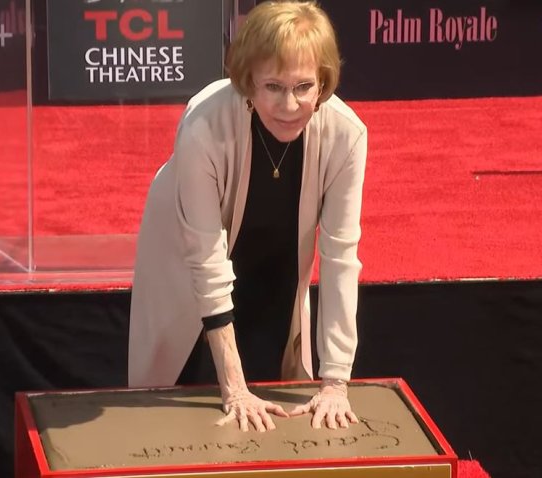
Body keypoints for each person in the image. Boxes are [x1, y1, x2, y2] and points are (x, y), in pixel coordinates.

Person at [129, 0, 367, 433]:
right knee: (185, 398)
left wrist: (336, 382)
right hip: (187, 256)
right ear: (248, 82)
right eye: (273, 86)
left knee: (273, 364)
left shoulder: (347, 135)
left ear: (324, 83)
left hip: (275, 253)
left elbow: (340, 259)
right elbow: (205, 259)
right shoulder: (203, 123)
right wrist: (234, 389)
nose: (290, 104)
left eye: (304, 86)